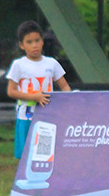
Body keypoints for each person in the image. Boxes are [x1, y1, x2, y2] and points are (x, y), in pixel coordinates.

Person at [6, 20, 71, 159]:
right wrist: (34, 97)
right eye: (29, 42)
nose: (34, 45)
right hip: (26, 117)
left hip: (48, 116)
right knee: (26, 156)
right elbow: (11, 91)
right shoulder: (18, 65)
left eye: (37, 40)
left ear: (42, 41)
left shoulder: (52, 63)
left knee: (46, 154)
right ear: (21, 45)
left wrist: (69, 100)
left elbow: (64, 85)